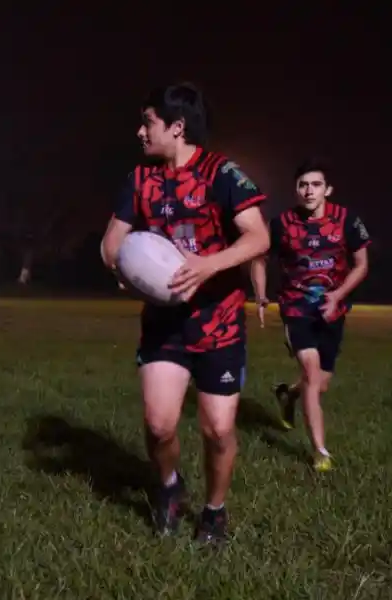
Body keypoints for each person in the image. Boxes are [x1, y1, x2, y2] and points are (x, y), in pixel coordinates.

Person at [100, 82, 270, 545]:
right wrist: (120, 266)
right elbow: (111, 240)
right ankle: (171, 488)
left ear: (177, 127)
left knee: (217, 430)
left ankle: (214, 512)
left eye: (148, 123)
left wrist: (207, 265)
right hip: (165, 324)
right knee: (159, 425)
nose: (140, 131)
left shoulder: (222, 173)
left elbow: (258, 238)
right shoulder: (140, 179)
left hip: (219, 322)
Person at [250, 158, 371, 472]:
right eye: (303, 184)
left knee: (320, 384)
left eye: (316, 184)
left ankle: (288, 395)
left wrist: (338, 295)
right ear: (296, 190)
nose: (308, 190)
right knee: (311, 373)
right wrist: (261, 295)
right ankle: (320, 451)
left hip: (334, 309)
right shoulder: (281, 224)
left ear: (327, 189)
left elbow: (361, 265)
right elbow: (259, 259)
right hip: (296, 309)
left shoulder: (347, 220)